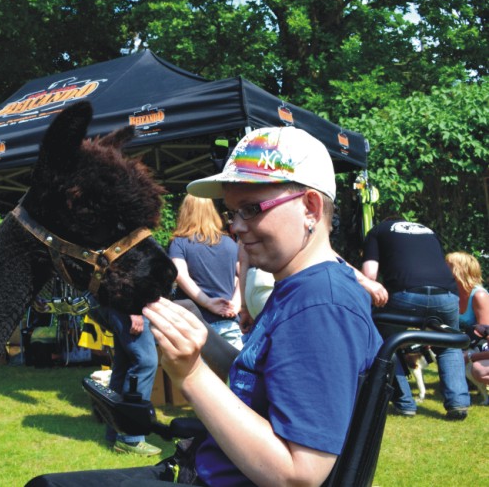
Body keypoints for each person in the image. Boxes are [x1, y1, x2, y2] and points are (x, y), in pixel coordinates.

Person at [28, 126, 382, 486]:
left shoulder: (321, 305)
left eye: (251, 209)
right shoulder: (300, 289)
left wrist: (191, 375)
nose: (237, 227)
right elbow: (263, 382)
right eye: (232, 213)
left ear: (310, 207)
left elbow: (298, 474)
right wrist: (203, 340)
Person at [362, 218, 470, 419]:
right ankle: (458, 404)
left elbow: (370, 275)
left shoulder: (377, 232)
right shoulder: (427, 229)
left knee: (385, 344)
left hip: (405, 294)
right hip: (446, 295)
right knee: (449, 345)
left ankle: (405, 404)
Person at [169, 195, 243, 349]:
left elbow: (180, 275)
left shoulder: (180, 243)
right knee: (234, 372)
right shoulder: (230, 243)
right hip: (229, 323)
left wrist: (208, 303)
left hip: (195, 325)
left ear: (185, 212)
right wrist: (236, 305)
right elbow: (245, 275)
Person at [93, 307, 161, 456]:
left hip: (120, 304)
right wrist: (134, 310)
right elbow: (127, 282)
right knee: (145, 362)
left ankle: (115, 432)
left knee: (123, 366)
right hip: (129, 305)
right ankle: (131, 438)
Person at [445, 251, 489, 401]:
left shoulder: (479, 296)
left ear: (459, 270)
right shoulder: (453, 294)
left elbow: (485, 334)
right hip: (465, 344)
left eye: (447, 266)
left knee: (478, 371)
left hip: (480, 346)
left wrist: (468, 355)